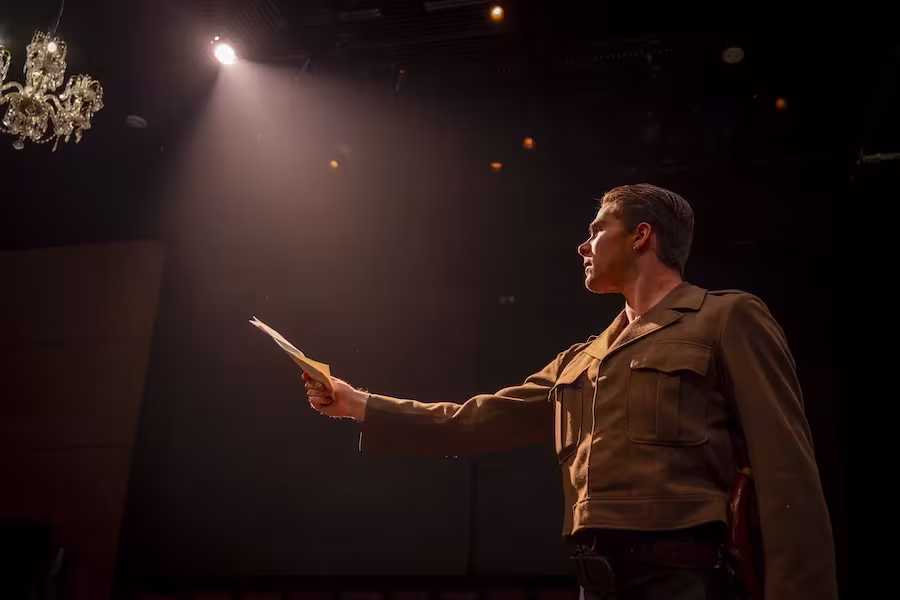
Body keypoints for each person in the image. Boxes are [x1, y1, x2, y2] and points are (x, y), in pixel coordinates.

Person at [303, 184, 837, 600]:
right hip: (595, 580)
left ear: (641, 236)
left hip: (685, 580)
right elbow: (475, 419)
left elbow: (787, 470)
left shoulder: (725, 318)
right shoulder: (580, 360)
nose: (583, 245)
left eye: (597, 229)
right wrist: (358, 404)